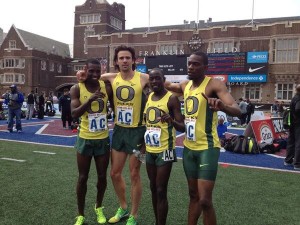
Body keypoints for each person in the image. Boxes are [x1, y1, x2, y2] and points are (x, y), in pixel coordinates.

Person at [165, 51, 241, 225]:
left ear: (205, 67)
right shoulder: (185, 85)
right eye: (189, 63)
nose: (191, 67)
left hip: (207, 148)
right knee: (193, 196)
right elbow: (166, 84)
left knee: (205, 200)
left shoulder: (214, 84)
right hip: (189, 148)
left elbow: (236, 110)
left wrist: (221, 106)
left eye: (196, 64)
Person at [101, 45, 149, 225]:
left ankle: (134, 215)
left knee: (135, 173)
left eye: (128, 58)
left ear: (134, 60)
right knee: (114, 173)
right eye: (121, 58)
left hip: (139, 133)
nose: (124, 61)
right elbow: (93, 78)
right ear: (116, 61)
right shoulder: (111, 78)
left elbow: (163, 85)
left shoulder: (143, 78)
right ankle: (123, 207)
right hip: (120, 131)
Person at [70, 58, 113, 225]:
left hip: (102, 139)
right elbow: (74, 113)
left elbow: (119, 76)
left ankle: (99, 207)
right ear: (85, 69)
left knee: (102, 177)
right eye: (91, 71)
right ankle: (80, 214)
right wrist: (90, 99)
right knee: (82, 178)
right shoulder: (76, 88)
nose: (95, 74)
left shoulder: (106, 87)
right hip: (85, 139)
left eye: (98, 71)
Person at [144, 68, 185, 225]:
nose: (154, 81)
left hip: (165, 150)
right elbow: (147, 124)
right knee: (153, 188)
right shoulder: (148, 97)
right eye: (152, 79)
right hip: (149, 150)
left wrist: (172, 121)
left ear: (163, 80)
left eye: (157, 78)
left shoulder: (172, 99)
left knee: (161, 189)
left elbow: (182, 126)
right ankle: (157, 221)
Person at [284, 84, 300, 171]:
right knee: (298, 143)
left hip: (292, 123)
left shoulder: (294, 97)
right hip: (298, 124)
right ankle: (297, 164)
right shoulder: (299, 99)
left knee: (291, 142)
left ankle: (288, 160)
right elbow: (298, 109)